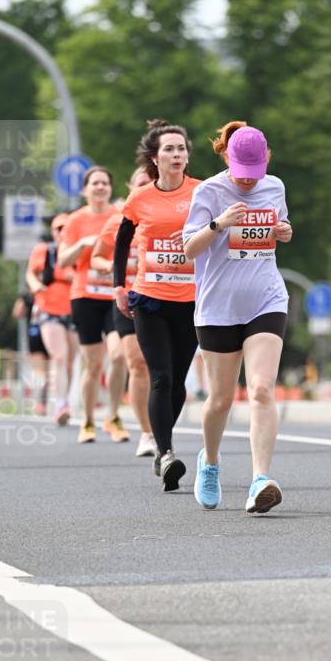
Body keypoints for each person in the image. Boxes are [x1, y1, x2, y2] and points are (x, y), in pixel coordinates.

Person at [182, 121, 293, 513]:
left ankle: (261, 478)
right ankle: (209, 463)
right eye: (242, 175)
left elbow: (280, 231)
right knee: (221, 400)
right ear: (227, 157)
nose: (248, 183)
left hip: (266, 298)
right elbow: (190, 250)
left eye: (254, 174)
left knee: (262, 389)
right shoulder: (208, 191)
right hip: (217, 307)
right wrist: (218, 224)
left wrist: (283, 231)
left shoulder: (275, 187)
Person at [114, 120, 201, 490]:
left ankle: (162, 443)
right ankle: (165, 453)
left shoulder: (202, 191)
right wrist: (119, 286)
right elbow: (122, 242)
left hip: (193, 300)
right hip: (150, 299)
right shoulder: (141, 198)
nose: (177, 155)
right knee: (160, 376)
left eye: (181, 149)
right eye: (169, 149)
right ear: (155, 157)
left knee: (178, 382)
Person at [58, 166, 130, 444]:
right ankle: (87, 421)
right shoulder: (75, 220)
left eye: (104, 183)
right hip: (85, 296)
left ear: (110, 188)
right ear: (85, 190)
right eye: (94, 183)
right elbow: (63, 261)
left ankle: (112, 416)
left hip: (114, 295)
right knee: (93, 362)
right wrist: (84, 244)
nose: (100, 187)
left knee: (119, 355)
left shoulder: (120, 215)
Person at [91, 167, 157, 458]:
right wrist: (116, 268)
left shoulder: (165, 218)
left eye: (149, 184)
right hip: (127, 299)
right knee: (137, 363)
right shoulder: (118, 221)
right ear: (131, 188)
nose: (144, 188)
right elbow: (96, 257)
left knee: (165, 370)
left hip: (163, 297)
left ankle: (161, 424)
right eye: (139, 184)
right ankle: (147, 433)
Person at [26, 213, 78, 425]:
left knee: (70, 362)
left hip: (74, 309)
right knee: (58, 357)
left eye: (66, 228)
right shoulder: (44, 250)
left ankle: (62, 398)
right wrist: (35, 286)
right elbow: (30, 273)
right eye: (58, 228)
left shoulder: (78, 251)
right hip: (49, 309)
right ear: (53, 231)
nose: (62, 232)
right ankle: (60, 404)